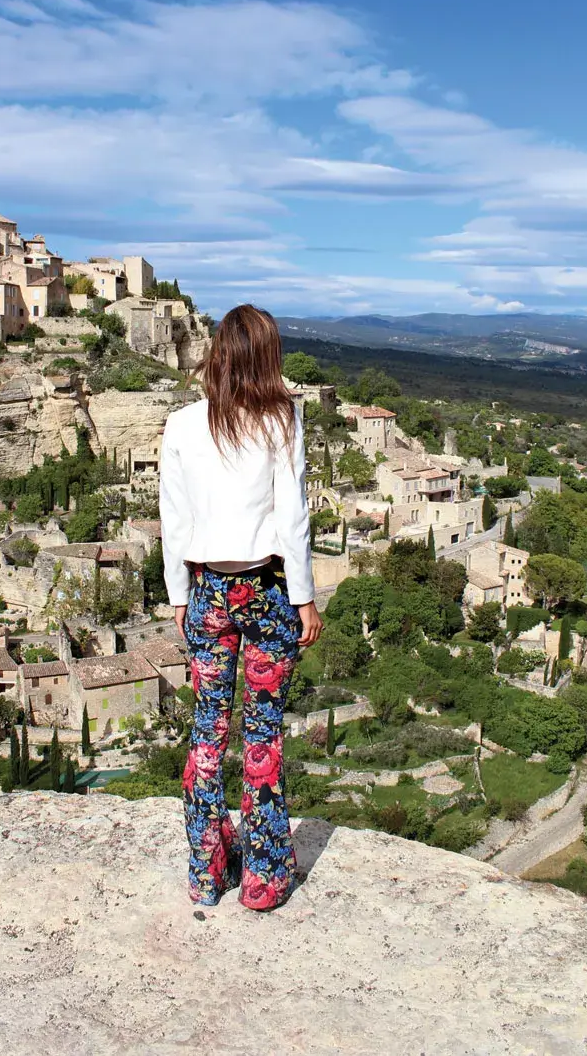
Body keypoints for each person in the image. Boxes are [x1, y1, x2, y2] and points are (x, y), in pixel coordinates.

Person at [159, 304, 323, 911]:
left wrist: (178, 593)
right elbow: (292, 516)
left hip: (205, 591)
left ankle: (206, 871)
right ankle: (264, 878)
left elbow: (172, 520)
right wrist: (304, 598)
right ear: (265, 358)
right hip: (267, 590)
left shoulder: (180, 426)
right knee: (262, 736)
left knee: (207, 733)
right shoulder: (281, 419)